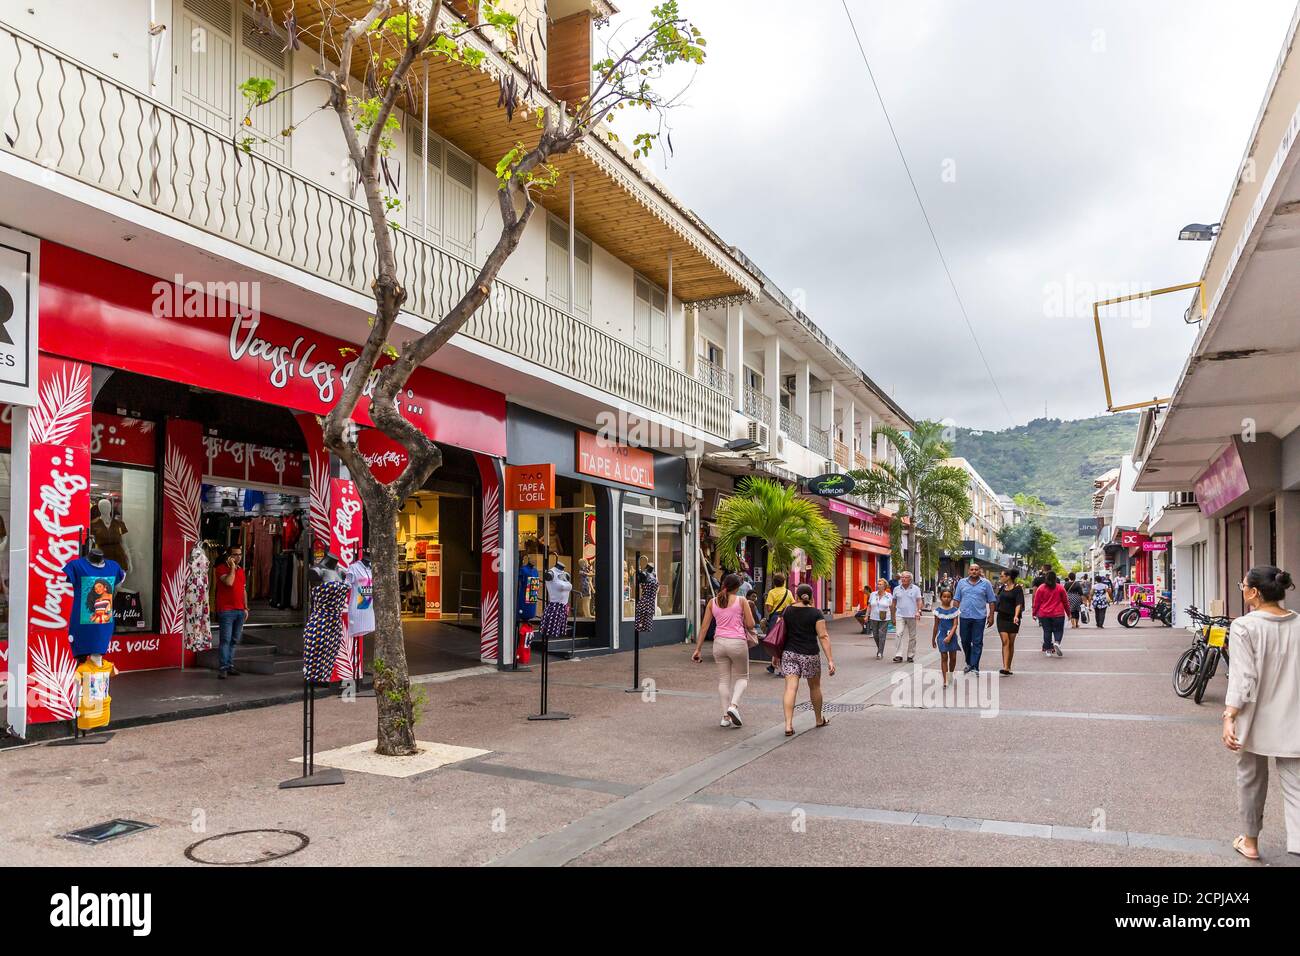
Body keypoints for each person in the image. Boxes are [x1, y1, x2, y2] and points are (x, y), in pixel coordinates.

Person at [1222, 566, 1300, 861]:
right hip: (1294, 716)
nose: (1241, 588)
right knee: (1297, 785)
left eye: (1242, 585)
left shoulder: (1244, 626)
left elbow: (1243, 678)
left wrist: (1230, 715)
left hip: (1254, 717)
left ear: (1254, 592)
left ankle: (1251, 842)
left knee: (1250, 779)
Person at [692, 573, 757, 729]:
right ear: (737, 587)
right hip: (737, 643)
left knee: (723, 680)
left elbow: (704, 627)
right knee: (742, 677)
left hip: (719, 643)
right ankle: (733, 706)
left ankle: (725, 717)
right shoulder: (742, 601)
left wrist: (698, 649)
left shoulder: (712, 602)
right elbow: (750, 624)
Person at [779, 584, 836, 736]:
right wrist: (830, 660)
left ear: (796, 596)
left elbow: (780, 633)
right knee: (815, 687)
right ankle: (818, 719)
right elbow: (823, 636)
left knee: (790, 688)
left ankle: (788, 725)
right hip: (810, 654)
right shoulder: (816, 613)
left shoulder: (787, 611)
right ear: (811, 597)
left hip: (789, 653)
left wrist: (775, 655)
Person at [953, 564, 996, 674]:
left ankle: (974, 666)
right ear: (968, 571)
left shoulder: (986, 583)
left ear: (979, 571)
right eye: (972, 569)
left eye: (976, 569)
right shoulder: (961, 583)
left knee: (977, 642)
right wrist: (953, 616)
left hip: (979, 617)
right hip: (964, 616)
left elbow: (991, 601)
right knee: (965, 641)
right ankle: (969, 662)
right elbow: (956, 600)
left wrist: (991, 616)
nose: (974, 571)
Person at [214, 546, 247, 679]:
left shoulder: (241, 571)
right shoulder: (221, 568)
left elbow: (243, 590)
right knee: (225, 640)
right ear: (229, 556)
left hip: (239, 610)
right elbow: (229, 582)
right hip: (226, 610)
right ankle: (223, 668)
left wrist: (246, 608)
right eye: (235, 554)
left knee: (234, 640)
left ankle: (229, 665)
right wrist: (232, 567)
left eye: (240, 554)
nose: (238, 557)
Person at [994, 569, 1025, 675]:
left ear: (1008, 577)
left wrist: (1016, 616)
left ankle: (1008, 666)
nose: (1000, 578)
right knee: (1005, 641)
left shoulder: (1018, 589)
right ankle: (1005, 667)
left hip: (1013, 618)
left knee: (1011, 643)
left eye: (1002, 576)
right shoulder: (1002, 588)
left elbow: (1019, 603)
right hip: (1001, 617)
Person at [763, 572, 794, 676]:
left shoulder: (772, 592)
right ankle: (775, 666)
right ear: (784, 582)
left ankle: (777, 667)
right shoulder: (788, 592)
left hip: (775, 619)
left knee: (775, 642)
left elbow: (769, 609)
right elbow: (792, 604)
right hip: (786, 618)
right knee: (783, 642)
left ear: (774, 582)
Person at [1033, 570, 1069, 658]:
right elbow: (1065, 602)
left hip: (1044, 614)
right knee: (1059, 630)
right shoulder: (1060, 588)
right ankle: (1057, 642)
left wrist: (1034, 613)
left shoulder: (1041, 588)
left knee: (1047, 631)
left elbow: (1037, 602)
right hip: (1058, 614)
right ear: (1055, 578)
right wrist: (1069, 613)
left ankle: (1048, 650)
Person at [890, 570, 924, 663]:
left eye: (905, 577)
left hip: (912, 615)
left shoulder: (916, 589)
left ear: (910, 579)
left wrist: (918, 611)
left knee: (912, 636)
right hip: (899, 615)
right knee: (898, 634)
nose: (903, 579)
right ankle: (898, 655)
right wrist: (892, 616)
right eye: (902, 577)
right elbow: (893, 603)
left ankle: (910, 655)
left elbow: (919, 601)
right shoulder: (896, 589)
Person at [931, 588, 961, 687]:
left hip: (952, 636)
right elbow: (936, 626)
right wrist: (933, 639)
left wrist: (950, 636)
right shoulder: (937, 611)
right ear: (941, 598)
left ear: (951, 598)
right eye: (944, 596)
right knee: (944, 657)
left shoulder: (955, 611)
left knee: (953, 658)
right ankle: (945, 680)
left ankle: (950, 674)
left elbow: (955, 625)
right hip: (941, 636)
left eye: (948, 597)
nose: (946, 599)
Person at [865, 578, 893, 660]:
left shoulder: (889, 595)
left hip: (885, 617)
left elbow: (892, 607)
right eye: (878, 584)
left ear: (884, 586)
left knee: (881, 634)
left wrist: (893, 617)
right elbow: (869, 606)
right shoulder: (873, 594)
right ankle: (880, 649)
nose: (878, 585)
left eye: (880, 584)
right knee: (875, 635)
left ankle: (880, 652)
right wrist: (866, 616)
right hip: (874, 617)